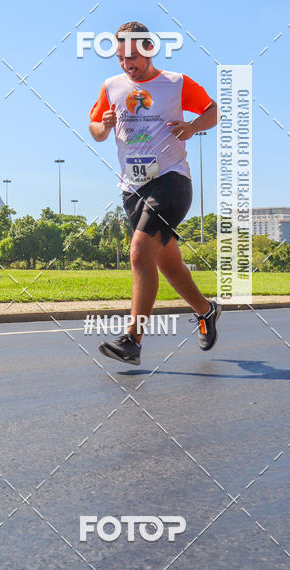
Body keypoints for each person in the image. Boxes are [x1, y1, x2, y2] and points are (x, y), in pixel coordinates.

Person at [89, 21, 221, 366]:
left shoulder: (176, 83)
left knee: (138, 253)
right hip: (132, 188)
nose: (126, 64)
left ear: (149, 50)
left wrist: (192, 126)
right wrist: (102, 125)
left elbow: (213, 111)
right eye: (120, 57)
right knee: (168, 264)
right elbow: (95, 129)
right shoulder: (111, 86)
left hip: (172, 182)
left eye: (132, 56)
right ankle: (206, 311)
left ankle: (132, 339)